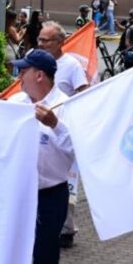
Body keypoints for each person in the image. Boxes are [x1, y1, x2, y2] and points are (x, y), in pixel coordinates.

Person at [0, 49, 75, 264]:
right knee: (11, 249)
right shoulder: (16, 101)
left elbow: (77, 150)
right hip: (16, 191)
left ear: (39, 75)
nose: (19, 76)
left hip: (51, 192)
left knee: (44, 254)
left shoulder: (65, 105)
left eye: (23, 71)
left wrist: (55, 125)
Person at [37, 21, 87, 249]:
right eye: (39, 39)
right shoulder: (34, 59)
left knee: (67, 182)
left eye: (45, 40)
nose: (41, 43)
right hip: (39, 130)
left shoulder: (72, 66)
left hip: (62, 128)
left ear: (60, 42)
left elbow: (83, 94)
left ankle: (67, 228)